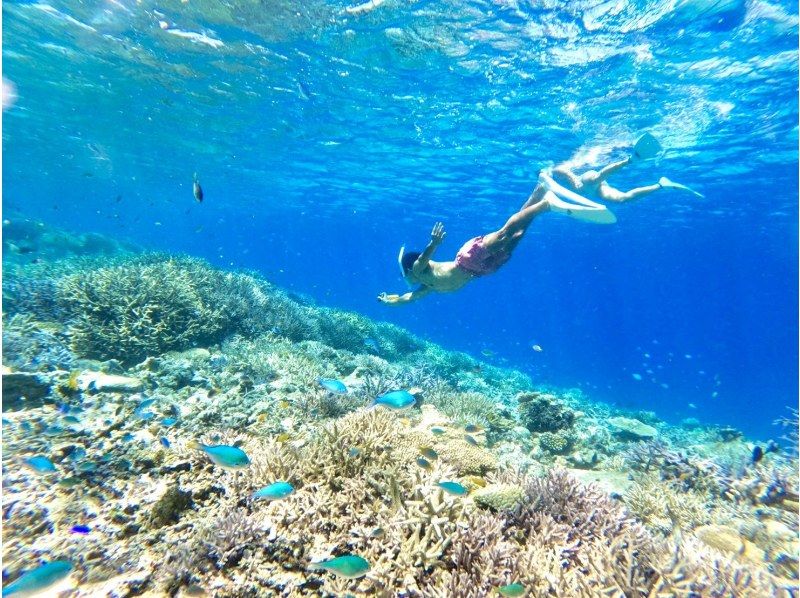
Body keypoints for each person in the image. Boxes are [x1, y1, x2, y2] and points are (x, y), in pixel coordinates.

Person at [377, 184, 551, 305]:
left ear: (407, 271)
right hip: (480, 271)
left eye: (404, 276)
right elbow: (407, 298)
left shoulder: (417, 269)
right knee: (516, 237)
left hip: (467, 260)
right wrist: (389, 300)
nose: (406, 281)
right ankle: (538, 193)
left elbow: (423, 258)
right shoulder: (428, 286)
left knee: (504, 234)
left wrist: (434, 243)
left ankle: (544, 204)